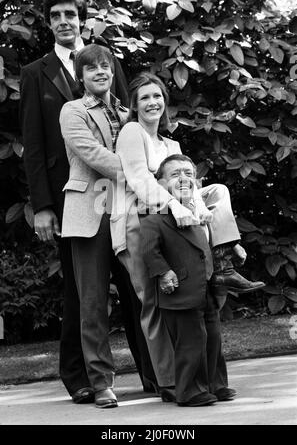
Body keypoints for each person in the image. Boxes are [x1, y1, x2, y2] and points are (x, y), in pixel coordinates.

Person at [19, 0, 154, 405]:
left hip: (125, 196)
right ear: (49, 22)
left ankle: (153, 370)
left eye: (70, 15)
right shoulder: (34, 73)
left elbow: (132, 130)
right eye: (56, 15)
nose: (64, 21)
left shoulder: (107, 62)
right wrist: (42, 205)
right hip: (72, 198)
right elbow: (34, 145)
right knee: (82, 294)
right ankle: (82, 378)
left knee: (136, 287)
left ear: (80, 19)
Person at [111, 72, 264, 395]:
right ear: (135, 106)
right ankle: (168, 381)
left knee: (218, 190)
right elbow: (139, 179)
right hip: (140, 222)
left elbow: (187, 188)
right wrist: (176, 205)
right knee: (154, 303)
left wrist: (207, 222)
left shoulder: (171, 144)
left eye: (157, 96)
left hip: (176, 225)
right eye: (145, 98)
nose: (153, 102)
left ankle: (223, 261)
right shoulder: (131, 132)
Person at [140, 154, 236, 406]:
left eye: (189, 174)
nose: (183, 179)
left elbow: (211, 244)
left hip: (205, 289)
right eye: (175, 175)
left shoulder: (198, 215)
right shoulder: (154, 219)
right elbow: (149, 251)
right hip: (179, 291)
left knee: (213, 339)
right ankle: (190, 391)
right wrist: (163, 272)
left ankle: (216, 384)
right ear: (159, 185)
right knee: (191, 343)